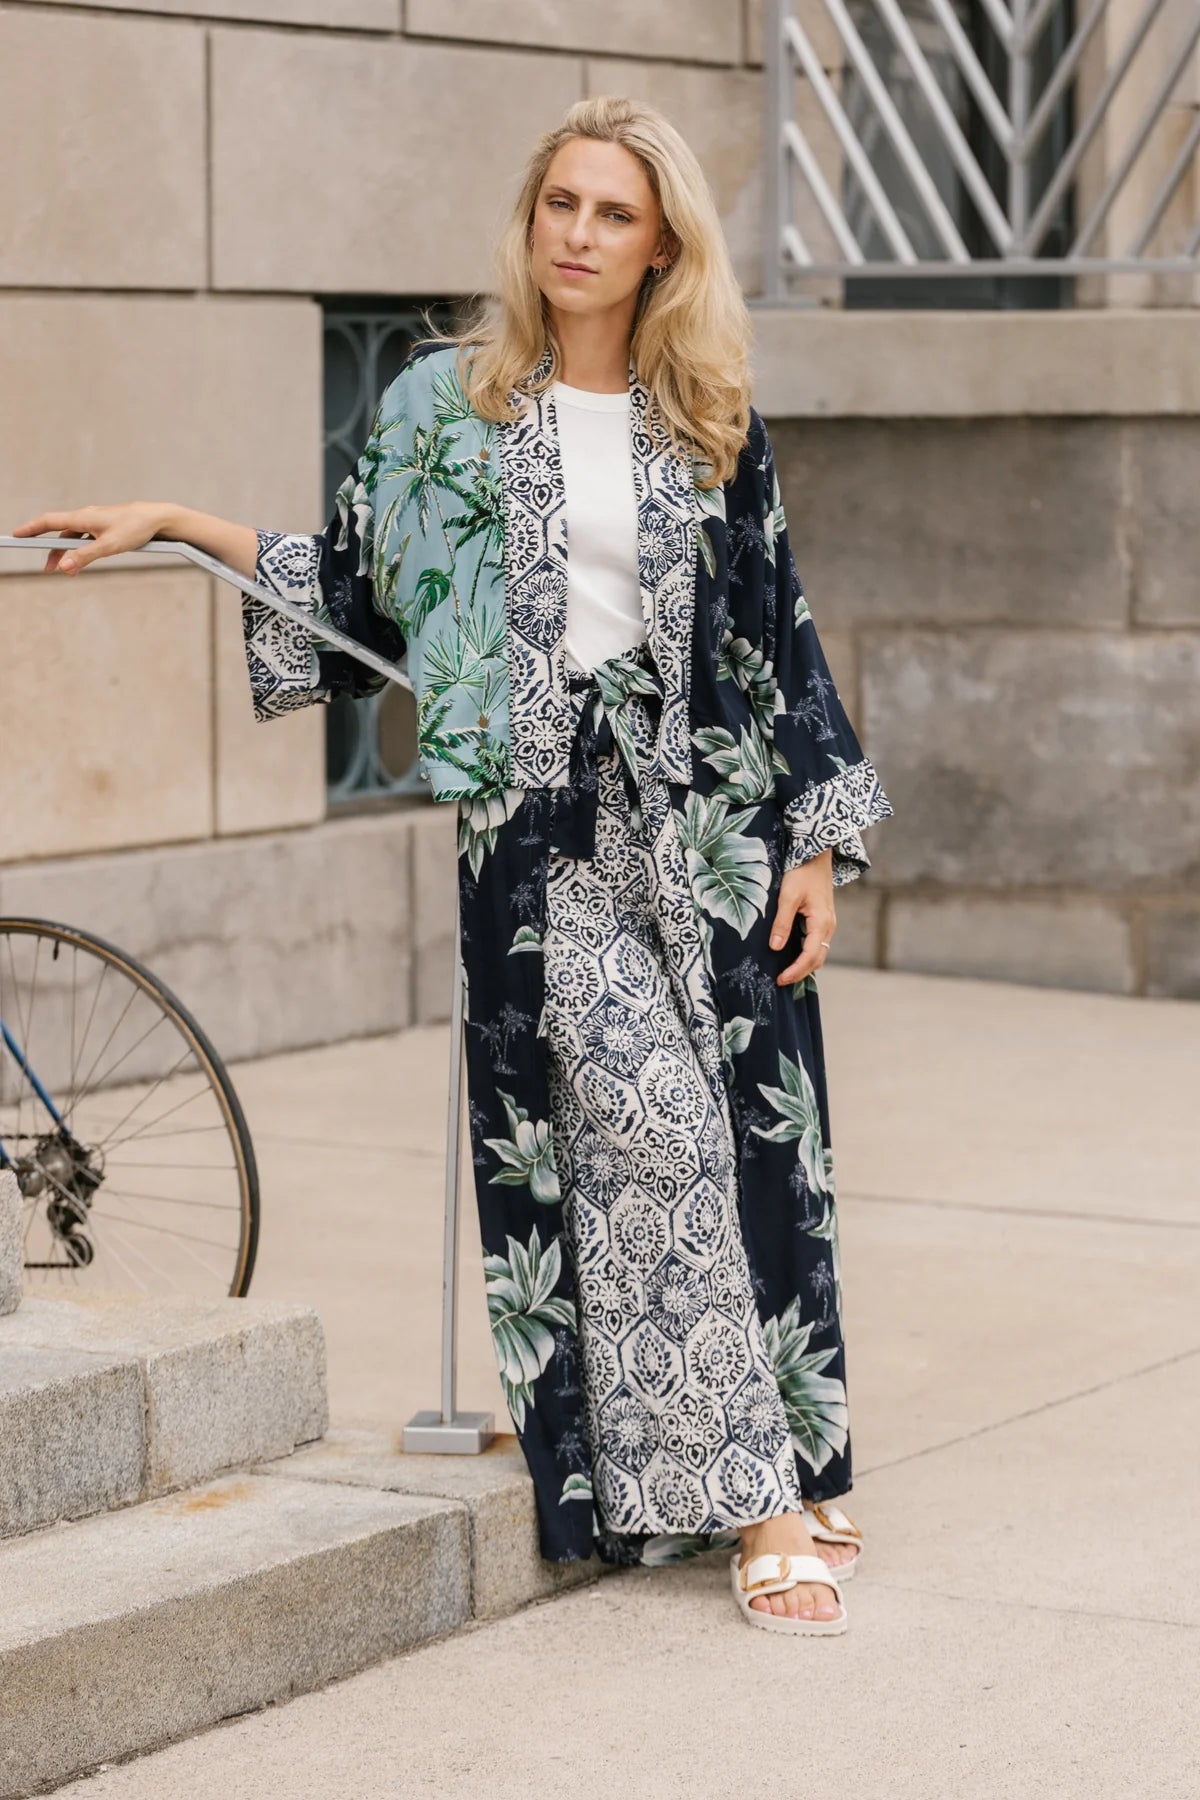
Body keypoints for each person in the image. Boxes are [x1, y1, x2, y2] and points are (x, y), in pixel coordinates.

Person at [13, 96, 893, 1637]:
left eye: (613, 214)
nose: (578, 235)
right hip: (541, 842)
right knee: (656, 1137)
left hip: (707, 835)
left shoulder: (710, 417)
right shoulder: (445, 405)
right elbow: (356, 588)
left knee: (753, 1147)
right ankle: (758, 1510)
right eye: (561, 203)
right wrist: (175, 521)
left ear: (662, 245)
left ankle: (782, 1452)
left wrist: (815, 842)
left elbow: (777, 633)